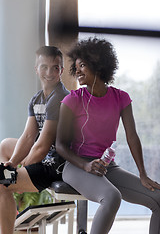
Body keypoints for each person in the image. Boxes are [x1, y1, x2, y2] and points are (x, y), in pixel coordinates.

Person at [56, 37, 160, 234]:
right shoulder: (72, 100)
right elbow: (60, 145)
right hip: (76, 166)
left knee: (158, 199)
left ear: (99, 65)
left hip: (106, 167)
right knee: (112, 196)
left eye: (83, 65)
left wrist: (143, 174)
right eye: (75, 66)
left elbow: (132, 136)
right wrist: (85, 165)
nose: (77, 71)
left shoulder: (121, 98)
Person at [0, 46, 69, 234]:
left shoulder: (60, 98)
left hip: (56, 165)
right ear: (36, 69)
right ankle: (9, 206)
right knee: (5, 145)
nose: (49, 72)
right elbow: (29, 136)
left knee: (2, 184)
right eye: (44, 67)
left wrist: (15, 175)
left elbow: (41, 147)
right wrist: (12, 163)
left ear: (61, 70)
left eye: (55, 67)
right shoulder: (37, 99)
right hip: (46, 155)